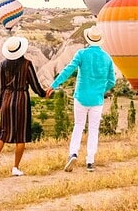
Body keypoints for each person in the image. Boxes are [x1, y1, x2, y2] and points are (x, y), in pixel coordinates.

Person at [46, 25, 115, 172]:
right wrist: (101, 90)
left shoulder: (81, 54)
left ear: (88, 39)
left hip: (81, 97)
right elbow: (112, 81)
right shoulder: (107, 58)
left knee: (78, 126)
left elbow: (68, 70)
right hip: (97, 100)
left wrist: (54, 85)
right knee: (94, 129)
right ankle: (90, 161)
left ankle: (73, 153)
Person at [0, 36, 47, 177]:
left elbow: (0, 85)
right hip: (21, 100)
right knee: (21, 135)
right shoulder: (27, 64)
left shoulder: (3, 65)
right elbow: (35, 85)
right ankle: (15, 168)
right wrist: (44, 94)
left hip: (7, 99)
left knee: (2, 132)